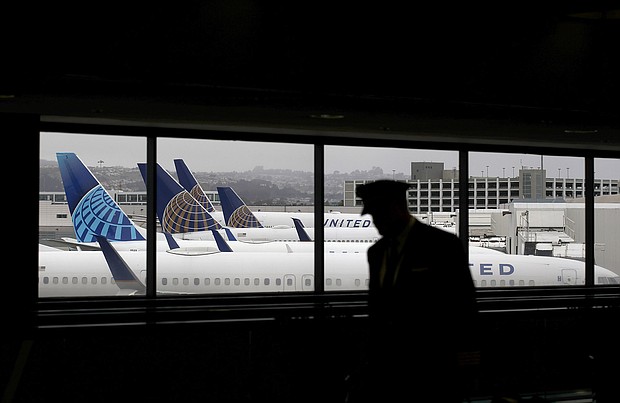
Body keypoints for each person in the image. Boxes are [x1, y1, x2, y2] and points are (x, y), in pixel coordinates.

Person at [347, 180, 480, 402]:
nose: (376, 222)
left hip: (433, 367)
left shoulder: (442, 246)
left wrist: (467, 367)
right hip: (389, 369)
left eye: (379, 214)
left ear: (397, 207)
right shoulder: (377, 253)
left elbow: (465, 309)